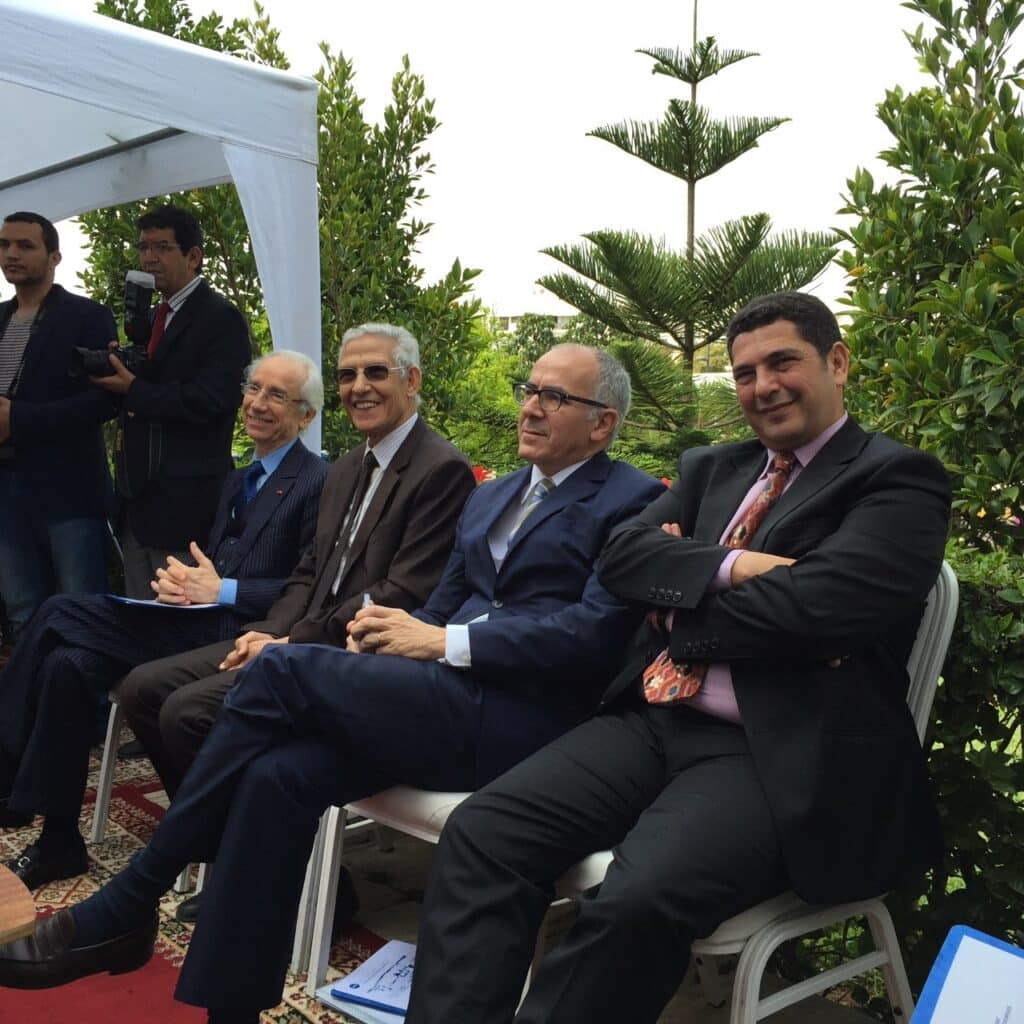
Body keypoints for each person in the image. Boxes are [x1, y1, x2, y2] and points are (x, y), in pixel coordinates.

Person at [0, 344, 664, 1022]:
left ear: (603, 424)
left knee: (280, 668)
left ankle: (131, 899)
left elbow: (594, 635)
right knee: (276, 776)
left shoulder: (631, 501)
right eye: (530, 388)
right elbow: (442, 603)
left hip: (526, 721)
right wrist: (391, 633)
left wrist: (444, 641)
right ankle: (230, 1009)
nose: (530, 405)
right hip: (439, 698)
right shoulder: (494, 496)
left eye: (555, 397)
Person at [398, 292, 954, 1024]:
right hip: (651, 720)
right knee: (483, 834)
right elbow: (623, 553)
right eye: (745, 372)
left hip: (773, 750)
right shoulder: (715, 467)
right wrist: (738, 568)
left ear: (837, 362)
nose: (763, 386)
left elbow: (823, 609)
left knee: (637, 900)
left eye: (783, 362)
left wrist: (678, 596)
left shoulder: (896, 479)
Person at [114, 322, 476, 923]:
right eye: (347, 375)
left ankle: (314, 892)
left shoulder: (441, 470)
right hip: (295, 637)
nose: (358, 387)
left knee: (191, 712)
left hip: (353, 657)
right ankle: (230, 854)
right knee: (143, 689)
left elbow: (400, 593)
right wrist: (269, 632)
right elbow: (308, 573)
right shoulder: (348, 466)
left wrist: (288, 641)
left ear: (411, 381)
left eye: (375, 372)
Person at [0, 350, 328, 891]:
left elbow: (309, 588)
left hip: (243, 634)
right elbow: (218, 568)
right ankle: (59, 840)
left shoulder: (317, 481)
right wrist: (184, 586)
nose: (258, 403)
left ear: (306, 416)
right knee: (67, 662)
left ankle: (6, 760)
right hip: (195, 619)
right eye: (254, 389)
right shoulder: (239, 476)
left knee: (59, 610)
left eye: (278, 396)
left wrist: (219, 588)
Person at [89, 204, 251, 597]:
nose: (148, 258)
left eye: (161, 247)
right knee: (137, 619)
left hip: (185, 506)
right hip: (138, 501)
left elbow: (214, 399)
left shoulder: (220, 317)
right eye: (143, 247)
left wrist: (134, 389)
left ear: (193, 256)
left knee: (177, 624)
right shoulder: (151, 316)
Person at [0, 212, 117, 639]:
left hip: (68, 492)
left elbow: (106, 401)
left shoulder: (87, 316)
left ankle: (81, 705)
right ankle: (31, 701)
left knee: (81, 611)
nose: (12, 253)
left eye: (25, 246)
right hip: (6, 492)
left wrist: (18, 419)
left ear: (55, 257)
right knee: (22, 611)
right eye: (5, 244)